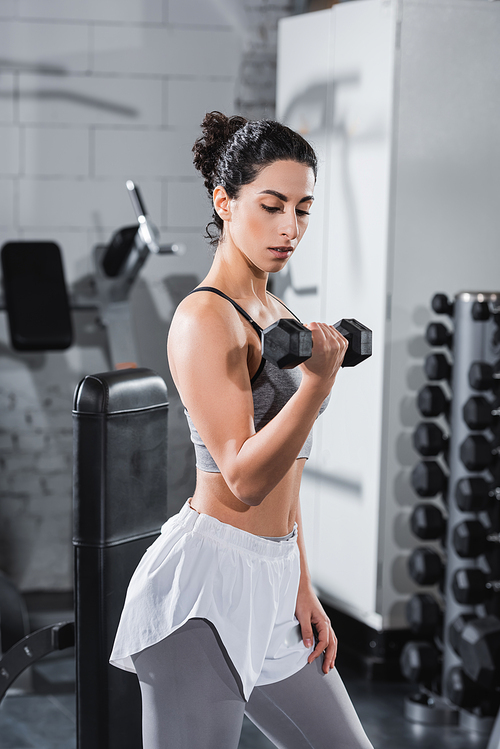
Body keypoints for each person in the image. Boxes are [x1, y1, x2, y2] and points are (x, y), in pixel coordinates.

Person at [110, 112, 374, 749]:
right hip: (206, 586)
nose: (290, 228)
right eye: (273, 205)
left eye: (303, 209)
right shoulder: (206, 319)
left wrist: (301, 583)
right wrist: (316, 384)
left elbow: (290, 471)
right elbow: (246, 477)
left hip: (275, 578)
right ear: (225, 203)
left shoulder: (276, 312)